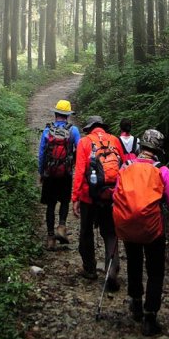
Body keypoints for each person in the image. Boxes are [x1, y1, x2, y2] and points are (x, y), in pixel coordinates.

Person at [112, 128, 169, 336]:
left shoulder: (126, 166)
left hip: (128, 224)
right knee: (155, 270)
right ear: (158, 149)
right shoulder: (161, 170)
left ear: (141, 146)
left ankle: (136, 304)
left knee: (134, 263)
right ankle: (150, 316)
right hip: (152, 228)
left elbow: (115, 195)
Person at [71, 115, 124, 288]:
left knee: (86, 232)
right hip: (110, 195)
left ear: (90, 128)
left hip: (89, 195)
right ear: (102, 126)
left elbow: (79, 172)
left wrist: (75, 198)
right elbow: (123, 167)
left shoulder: (85, 142)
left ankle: (90, 269)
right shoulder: (114, 140)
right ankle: (111, 269)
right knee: (110, 232)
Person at [38, 99, 81, 251]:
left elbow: (42, 153)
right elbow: (80, 150)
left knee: (50, 205)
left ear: (56, 114)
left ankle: (50, 238)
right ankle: (61, 227)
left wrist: (41, 172)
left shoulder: (47, 130)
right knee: (64, 201)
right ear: (67, 115)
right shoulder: (73, 131)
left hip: (50, 174)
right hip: (66, 174)